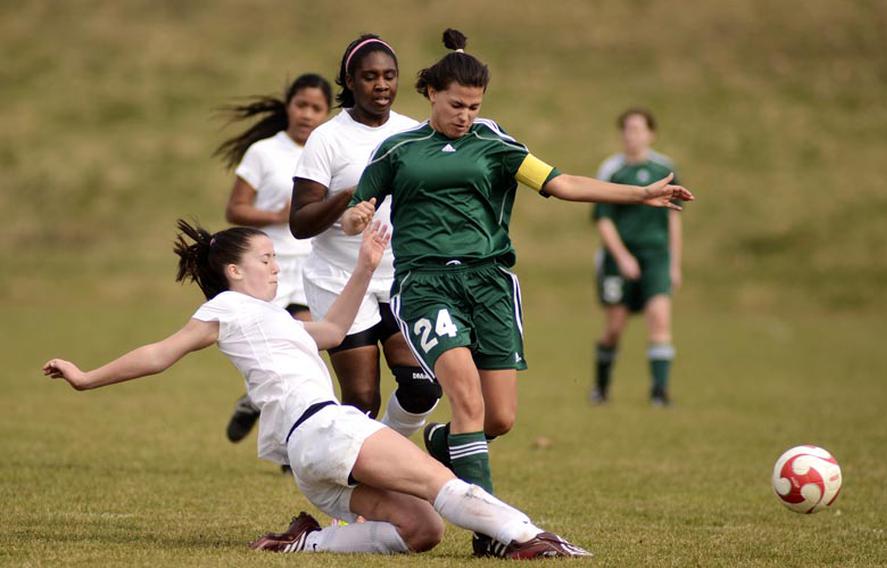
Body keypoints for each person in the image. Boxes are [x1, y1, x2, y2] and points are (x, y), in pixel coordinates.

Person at [41, 220, 591, 559]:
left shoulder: (270, 318)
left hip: (311, 457)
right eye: (266, 259)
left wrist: (365, 266)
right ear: (234, 271)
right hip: (326, 429)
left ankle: (306, 542)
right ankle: (530, 538)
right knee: (441, 481)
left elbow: (330, 332)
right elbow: (161, 353)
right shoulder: (227, 307)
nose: (276, 268)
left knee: (421, 530)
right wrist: (87, 378)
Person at [341, 28, 693, 555]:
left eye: (474, 105)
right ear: (432, 94)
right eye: (456, 104)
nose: (465, 113)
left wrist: (640, 193)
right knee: (464, 394)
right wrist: (356, 216)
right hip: (426, 284)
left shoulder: (496, 144)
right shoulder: (398, 150)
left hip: (490, 285)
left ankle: (441, 443)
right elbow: (354, 213)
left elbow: (562, 182)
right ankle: (492, 533)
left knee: (498, 417)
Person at [289, 34, 441, 439]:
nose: (381, 85)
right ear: (350, 81)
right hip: (340, 279)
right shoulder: (327, 138)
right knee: (361, 399)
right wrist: (347, 196)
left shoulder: (417, 133)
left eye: (389, 76)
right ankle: (349, 486)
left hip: (401, 278)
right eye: (370, 76)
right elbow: (300, 223)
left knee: (423, 387)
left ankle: (382, 458)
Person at [213, 73, 332, 443]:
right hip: (267, 267)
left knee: (304, 348)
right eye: (301, 105)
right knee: (273, 356)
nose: (307, 114)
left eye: (317, 108)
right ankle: (256, 403)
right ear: (288, 107)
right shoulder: (264, 152)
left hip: (312, 265)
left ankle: (285, 439)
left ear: (328, 113)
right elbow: (235, 210)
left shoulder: (328, 150)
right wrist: (278, 216)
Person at [591, 108, 683, 407]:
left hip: (656, 256)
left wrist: (674, 263)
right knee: (614, 327)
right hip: (619, 259)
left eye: (639, 129)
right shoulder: (611, 172)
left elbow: (673, 219)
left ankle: (659, 393)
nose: (633, 135)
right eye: (628, 129)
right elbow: (603, 219)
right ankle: (601, 387)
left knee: (659, 319)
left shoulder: (664, 169)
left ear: (650, 134)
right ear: (622, 134)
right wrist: (623, 256)